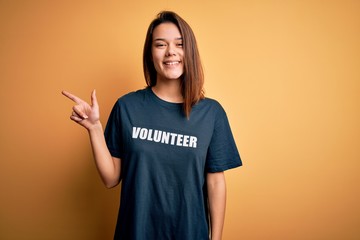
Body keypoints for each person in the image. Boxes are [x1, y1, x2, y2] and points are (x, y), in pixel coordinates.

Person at [62, 11, 242, 240]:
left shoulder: (211, 113)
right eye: (160, 45)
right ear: (150, 52)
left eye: (180, 44)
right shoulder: (127, 107)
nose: (171, 52)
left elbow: (216, 182)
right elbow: (110, 178)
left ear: (190, 52)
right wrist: (95, 128)